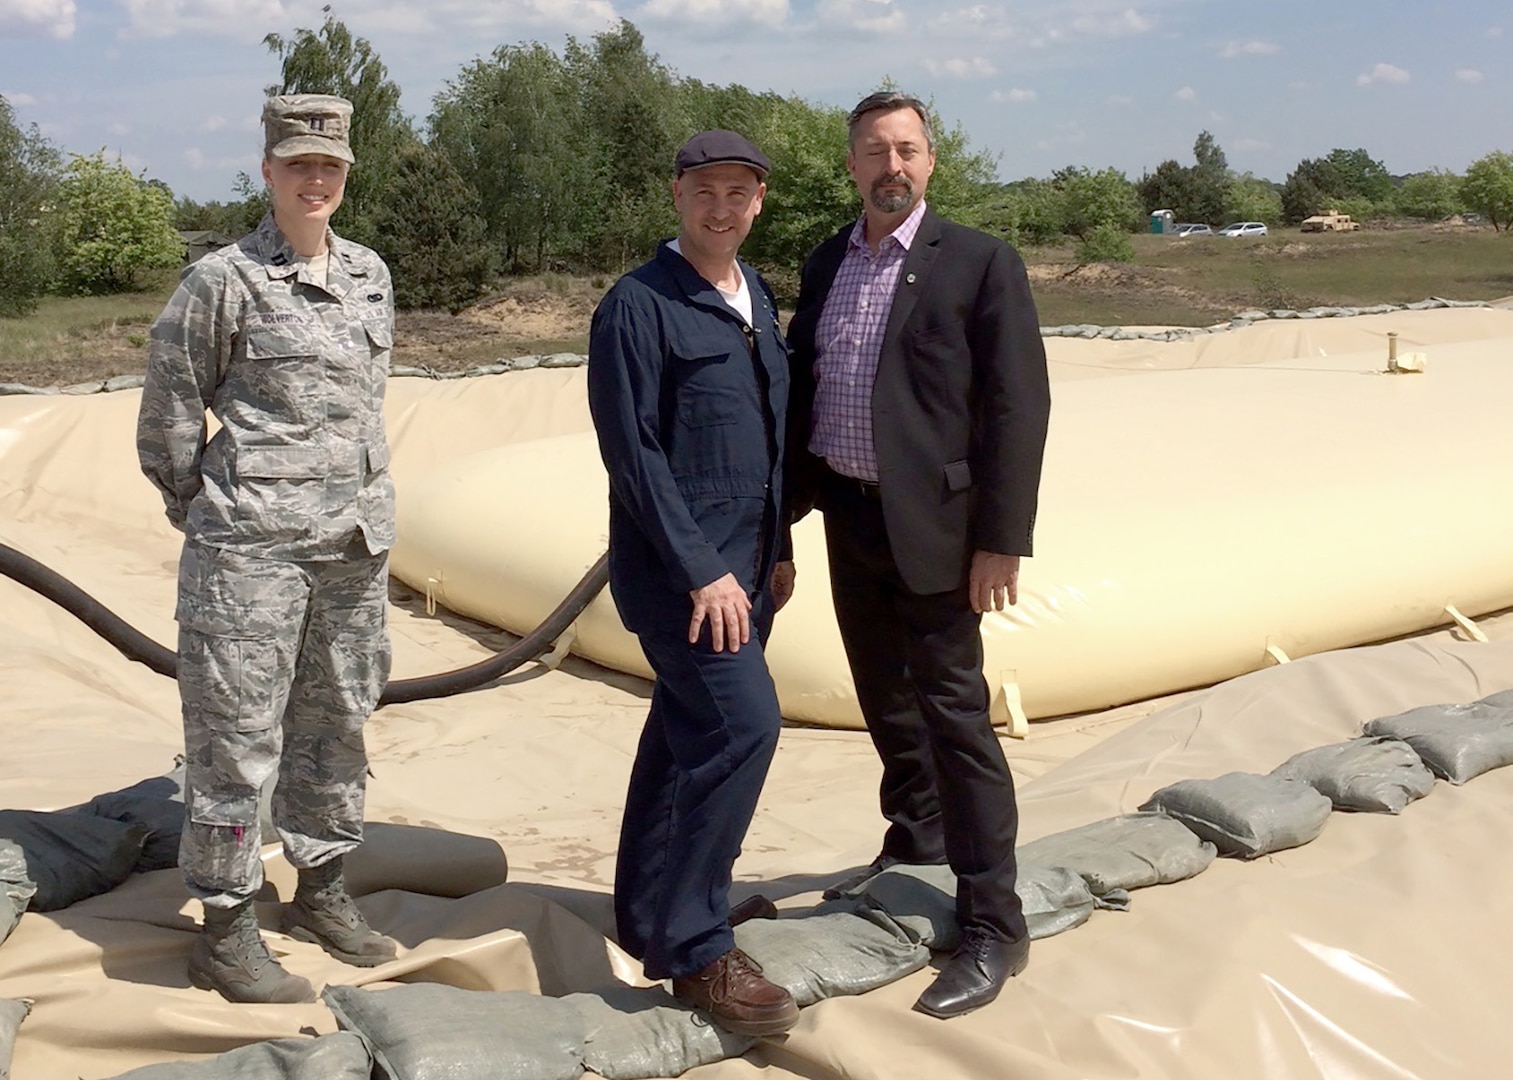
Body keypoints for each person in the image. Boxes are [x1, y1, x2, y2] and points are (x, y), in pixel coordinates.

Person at [782, 92, 1052, 1019]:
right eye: (872, 152)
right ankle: (914, 847)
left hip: (940, 534)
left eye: (905, 149)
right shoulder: (828, 261)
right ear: (851, 166)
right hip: (851, 524)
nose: (889, 166)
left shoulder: (977, 264)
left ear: (930, 161)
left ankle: (992, 922)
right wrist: (777, 522)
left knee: (955, 719)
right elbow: (801, 392)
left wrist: (1000, 541)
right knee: (883, 700)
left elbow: (1017, 409)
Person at [136, 94, 399, 1004]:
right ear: (268, 173)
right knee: (235, 742)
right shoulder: (225, 280)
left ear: (344, 176)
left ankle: (322, 888)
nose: (315, 180)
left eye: (329, 167)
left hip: (352, 549)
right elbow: (169, 409)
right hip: (249, 554)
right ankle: (226, 923)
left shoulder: (369, 273)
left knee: (337, 727)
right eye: (298, 166)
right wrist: (208, 510)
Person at [586, 130, 798, 1037]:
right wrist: (703, 571)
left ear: (757, 203)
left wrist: (776, 546)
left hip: (750, 570)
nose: (722, 207)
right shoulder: (638, 306)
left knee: (685, 739)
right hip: (687, 582)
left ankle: (649, 913)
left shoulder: (756, 296)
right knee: (743, 725)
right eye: (705, 190)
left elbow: (767, 434)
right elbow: (633, 457)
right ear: (676, 196)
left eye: (738, 193)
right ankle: (696, 947)